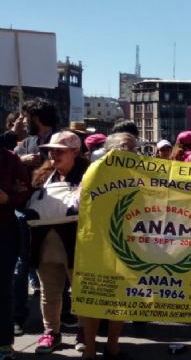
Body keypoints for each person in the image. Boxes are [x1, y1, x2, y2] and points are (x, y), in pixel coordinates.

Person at [26, 131, 89, 354]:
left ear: (74, 152)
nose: (53, 154)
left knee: (80, 290)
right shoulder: (42, 177)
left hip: (76, 243)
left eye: (59, 151)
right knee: (48, 291)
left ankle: (84, 331)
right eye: (51, 150)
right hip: (45, 244)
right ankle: (51, 332)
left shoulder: (88, 177)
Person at [80, 132, 136, 360]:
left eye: (133, 148)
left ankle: (113, 347)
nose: (130, 151)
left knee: (122, 296)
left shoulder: (141, 171)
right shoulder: (96, 169)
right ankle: (90, 349)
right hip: (97, 241)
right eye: (125, 146)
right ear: (108, 150)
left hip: (129, 241)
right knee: (95, 296)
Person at [0, 146, 31, 360]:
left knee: (2, 289)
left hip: (3, 230)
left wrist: (8, 197)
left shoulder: (8, 158)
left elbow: (23, 191)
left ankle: (3, 343)